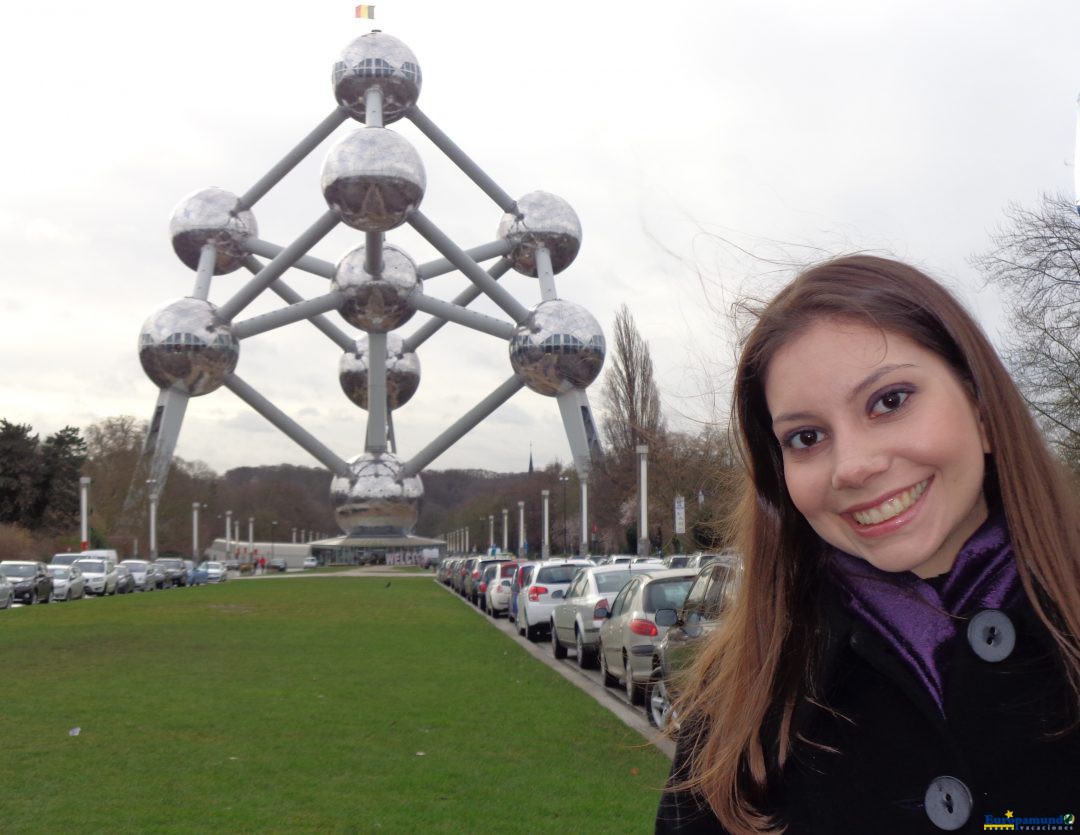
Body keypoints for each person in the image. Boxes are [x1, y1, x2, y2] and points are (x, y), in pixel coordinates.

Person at [655, 256, 1080, 834]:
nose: (852, 467)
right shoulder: (739, 705)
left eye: (890, 401)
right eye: (806, 437)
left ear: (981, 411)